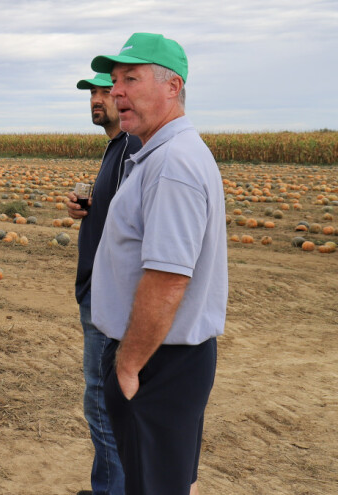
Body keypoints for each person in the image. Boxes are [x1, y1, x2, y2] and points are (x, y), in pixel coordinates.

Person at [90, 33, 228, 495]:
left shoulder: (172, 163)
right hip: (160, 358)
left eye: (132, 78)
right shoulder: (158, 153)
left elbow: (168, 279)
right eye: (114, 82)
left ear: (173, 87)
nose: (117, 92)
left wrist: (127, 368)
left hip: (155, 363)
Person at [66, 72, 142, 495]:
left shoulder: (131, 146)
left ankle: (110, 490)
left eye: (103, 91)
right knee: (105, 399)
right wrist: (88, 210)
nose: (97, 100)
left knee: (101, 400)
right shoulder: (116, 146)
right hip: (100, 289)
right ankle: (109, 484)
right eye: (92, 94)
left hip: (108, 295)